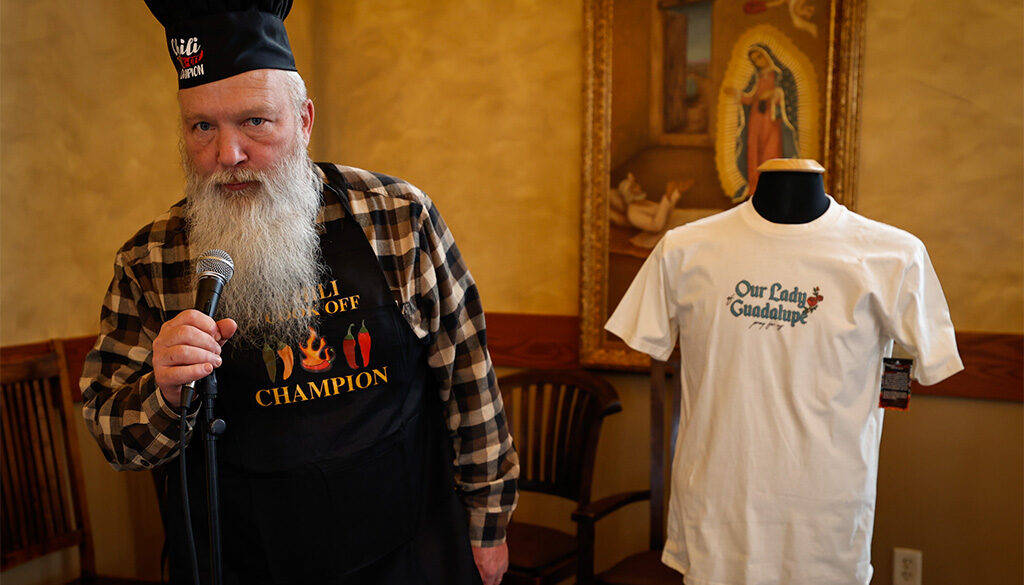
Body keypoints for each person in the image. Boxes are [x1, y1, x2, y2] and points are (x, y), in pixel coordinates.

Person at [80, 2, 518, 584]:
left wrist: (489, 525)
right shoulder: (150, 260)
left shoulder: (397, 216)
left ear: (304, 120)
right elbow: (116, 439)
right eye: (202, 126)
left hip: (407, 550)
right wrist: (163, 392)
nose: (227, 155)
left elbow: (467, 378)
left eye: (255, 122)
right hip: (242, 560)